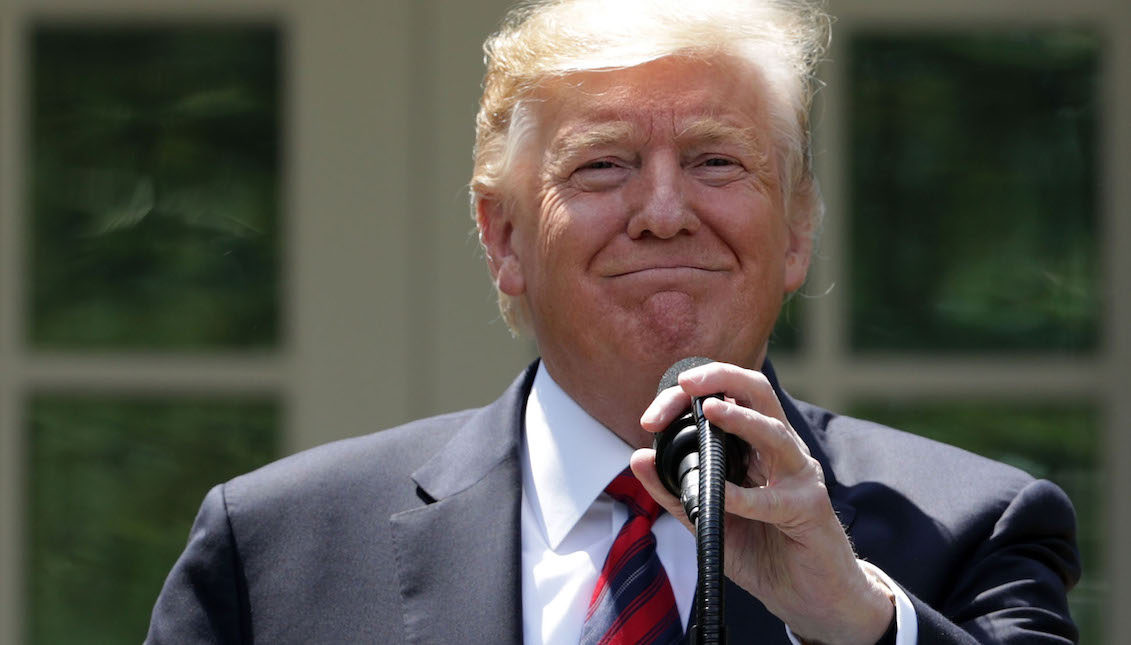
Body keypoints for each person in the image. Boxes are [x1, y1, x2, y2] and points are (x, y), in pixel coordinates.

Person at [145, 0, 1080, 643]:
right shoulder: (275, 550)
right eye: (602, 165)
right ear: (502, 235)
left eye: (717, 161)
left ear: (796, 230)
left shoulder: (972, 531)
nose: (663, 210)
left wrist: (856, 621)